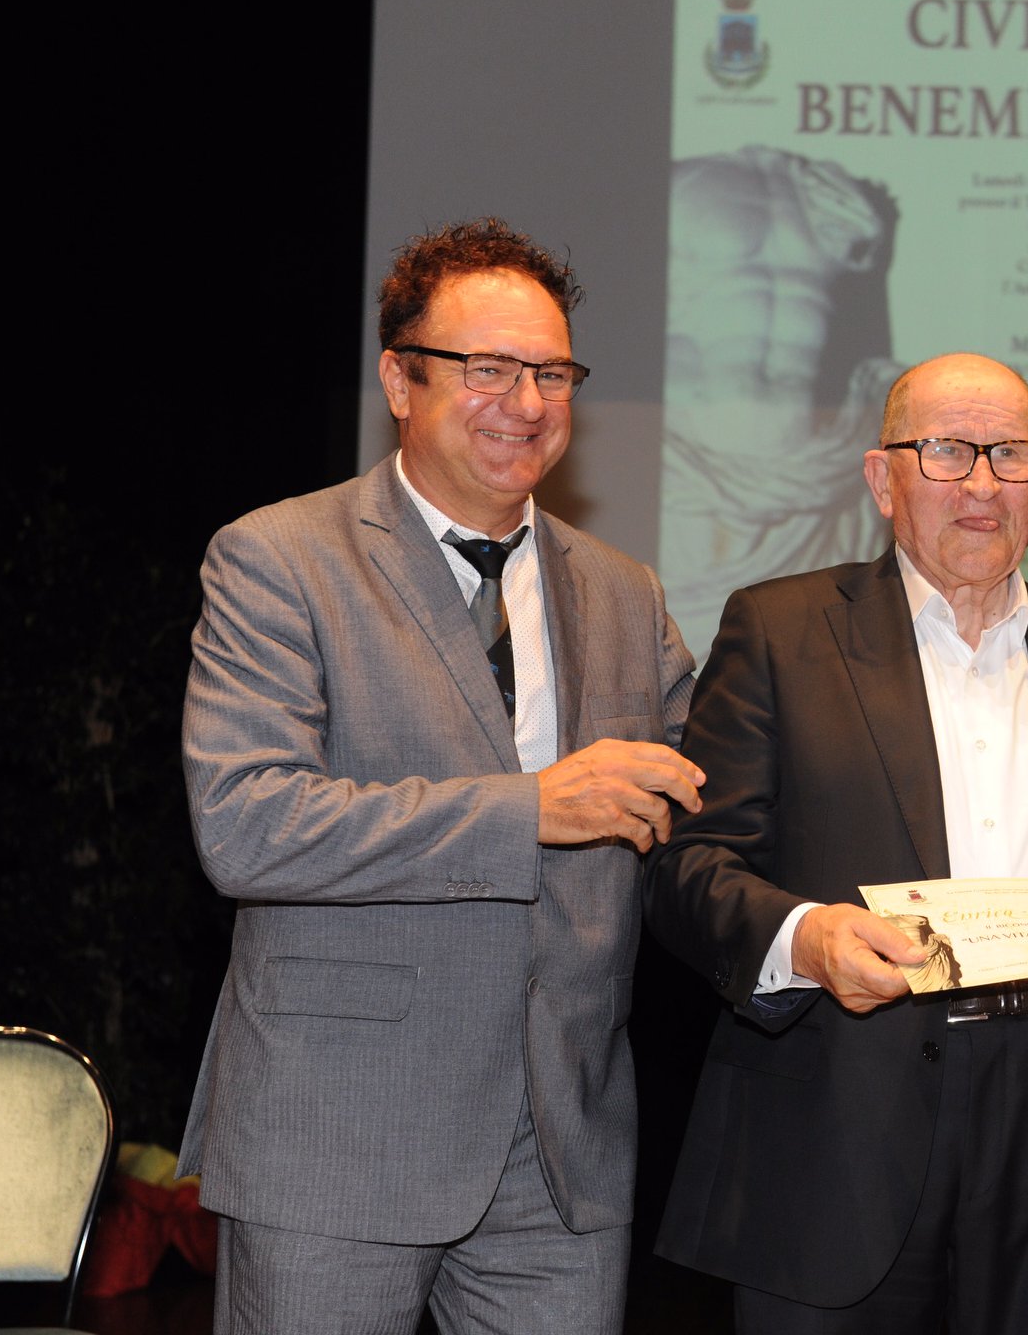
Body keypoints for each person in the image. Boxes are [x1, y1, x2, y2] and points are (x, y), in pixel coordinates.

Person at [178, 218, 703, 1335]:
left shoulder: (624, 592)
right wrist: (532, 811)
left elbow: (704, 814)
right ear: (399, 381)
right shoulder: (279, 558)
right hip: (340, 1132)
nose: (527, 402)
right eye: (488, 369)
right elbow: (246, 824)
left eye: (552, 374)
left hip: (561, 1149)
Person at [646, 352, 1028, 1335]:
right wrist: (806, 941)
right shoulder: (781, 631)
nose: (982, 484)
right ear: (883, 479)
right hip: (842, 1115)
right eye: (948, 452)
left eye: (1011, 455)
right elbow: (689, 864)